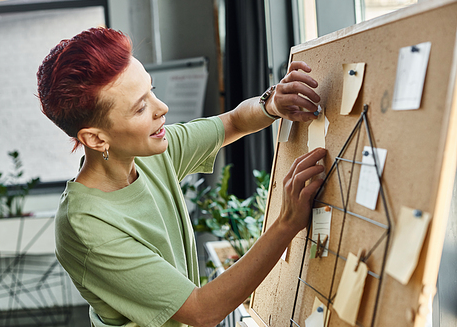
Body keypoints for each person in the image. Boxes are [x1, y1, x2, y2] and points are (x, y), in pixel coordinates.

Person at [36, 27, 326, 327]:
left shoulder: (148, 153)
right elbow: (201, 310)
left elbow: (234, 121)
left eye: (152, 90)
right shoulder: (85, 227)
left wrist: (273, 103)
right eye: (140, 108)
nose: (162, 108)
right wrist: (287, 223)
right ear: (96, 140)